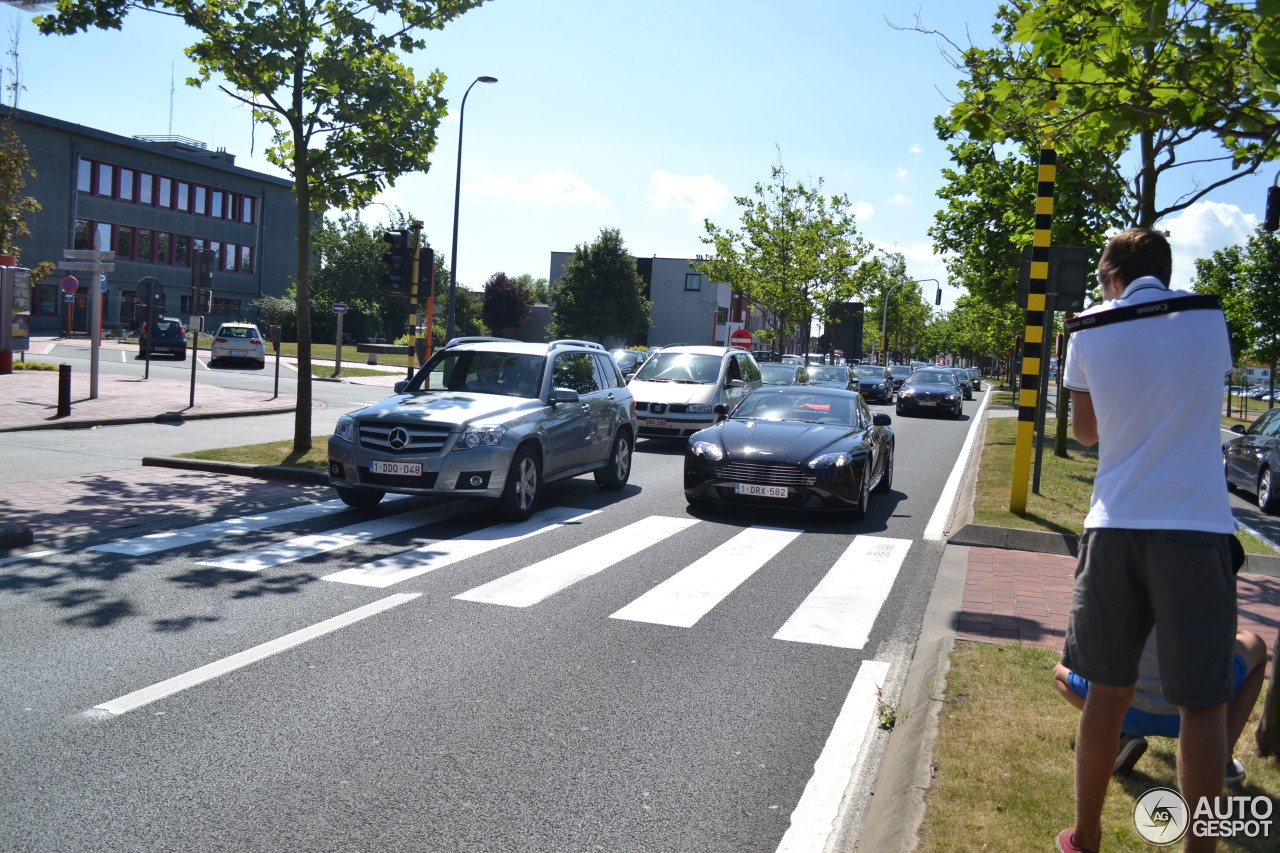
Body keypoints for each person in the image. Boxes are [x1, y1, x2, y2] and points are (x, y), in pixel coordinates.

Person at [1056, 228, 1237, 853]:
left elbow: (1085, 433)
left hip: (1116, 522)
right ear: (1165, 268)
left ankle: (1086, 834)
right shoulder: (1210, 318)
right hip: (1199, 524)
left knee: (1107, 690)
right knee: (1204, 703)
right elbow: (1200, 394)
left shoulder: (1085, 329)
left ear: (1109, 277)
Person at [1053, 629, 1267, 785]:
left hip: (1122, 708)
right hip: (1195, 716)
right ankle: (1220, 759)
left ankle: (1118, 731)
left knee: (1060, 672)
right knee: (1254, 643)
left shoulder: (1114, 575)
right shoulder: (1211, 575)